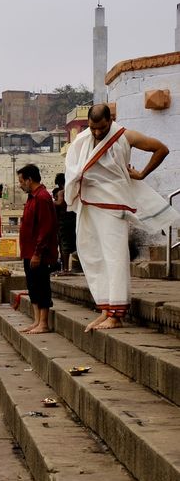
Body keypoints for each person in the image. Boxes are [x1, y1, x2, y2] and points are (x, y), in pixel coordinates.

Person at [64, 103, 177, 331]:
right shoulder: (83, 139)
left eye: (102, 128)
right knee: (92, 255)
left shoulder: (125, 135)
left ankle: (116, 314)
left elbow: (161, 149)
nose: (97, 133)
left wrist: (142, 173)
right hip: (89, 204)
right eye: (93, 127)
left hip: (114, 205)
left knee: (114, 258)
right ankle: (106, 309)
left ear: (110, 120)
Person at [17, 164, 58, 334]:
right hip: (28, 251)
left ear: (29, 180)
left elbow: (45, 228)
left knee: (42, 286)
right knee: (33, 286)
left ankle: (43, 322)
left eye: (21, 181)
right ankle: (36, 321)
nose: (20, 185)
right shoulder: (32, 197)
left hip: (38, 252)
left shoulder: (42, 197)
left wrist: (38, 253)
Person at [52, 173, 76, 273]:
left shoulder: (62, 192)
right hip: (74, 217)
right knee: (74, 244)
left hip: (64, 220)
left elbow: (60, 203)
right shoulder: (74, 189)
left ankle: (65, 268)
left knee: (64, 246)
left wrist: (50, 202)